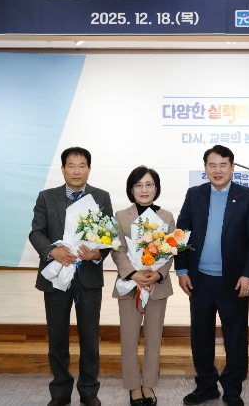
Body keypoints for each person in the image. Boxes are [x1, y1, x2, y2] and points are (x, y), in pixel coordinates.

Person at [175, 145, 249, 406]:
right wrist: (182, 270)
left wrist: (248, 275)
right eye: (212, 165)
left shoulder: (248, 196)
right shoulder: (194, 194)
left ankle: (233, 389)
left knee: (235, 338)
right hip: (199, 280)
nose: (217, 170)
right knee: (200, 336)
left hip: (234, 281)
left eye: (223, 165)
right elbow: (181, 233)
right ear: (205, 168)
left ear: (232, 167)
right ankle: (206, 386)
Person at [30, 147, 113, 406]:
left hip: (88, 277)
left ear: (89, 169)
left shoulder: (101, 197)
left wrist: (97, 254)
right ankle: (60, 391)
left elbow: (109, 236)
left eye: (82, 165)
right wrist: (51, 251)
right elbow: (36, 232)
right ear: (63, 169)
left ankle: (89, 390)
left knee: (90, 336)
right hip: (56, 276)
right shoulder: (47, 197)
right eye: (71, 165)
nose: (76, 171)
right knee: (57, 336)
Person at [111, 166, 176, 406]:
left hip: (157, 287)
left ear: (156, 188)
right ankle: (132, 386)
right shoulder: (121, 216)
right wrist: (133, 274)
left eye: (149, 184)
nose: (144, 189)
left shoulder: (166, 217)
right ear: (131, 189)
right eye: (138, 185)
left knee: (153, 338)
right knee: (129, 339)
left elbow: (171, 250)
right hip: (130, 286)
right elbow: (118, 249)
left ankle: (148, 384)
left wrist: (157, 274)